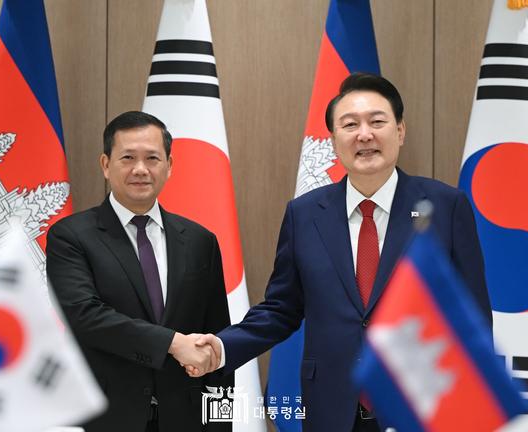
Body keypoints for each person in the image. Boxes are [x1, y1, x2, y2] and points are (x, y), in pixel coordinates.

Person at [192, 73, 492, 432]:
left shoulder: (445, 207)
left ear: (400, 131)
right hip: (331, 411)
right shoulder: (304, 215)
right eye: (350, 125)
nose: (364, 135)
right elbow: (281, 309)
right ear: (334, 141)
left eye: (377, 122)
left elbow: (471, 316)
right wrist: (222, 347)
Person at [46, 111, 232, 431]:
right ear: (106, 164)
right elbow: (85, 317)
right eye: (128, 157)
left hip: (186, 419)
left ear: (169, 166)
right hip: (107, 418)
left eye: (152, 158)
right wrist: (173, 343)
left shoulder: (200, 240)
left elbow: (215, 339)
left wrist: (221, 422)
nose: (141, 169)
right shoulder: (71, 236)